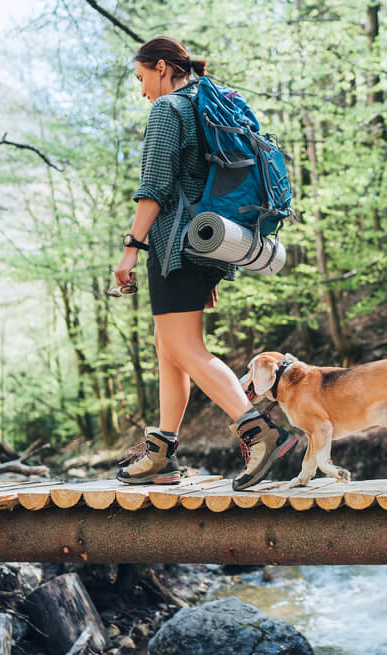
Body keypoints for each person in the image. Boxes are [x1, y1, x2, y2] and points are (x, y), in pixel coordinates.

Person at [113, 36, 296, 490]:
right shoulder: (203, 102)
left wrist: (131, 247)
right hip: (206, 241)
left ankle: (257, 430)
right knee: (167, 345)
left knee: (183, 349)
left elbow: (154, 186)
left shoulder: (168, 109)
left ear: (160, 67)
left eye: (142, 79)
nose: (142, 91)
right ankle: (162, 451)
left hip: (177, 243)